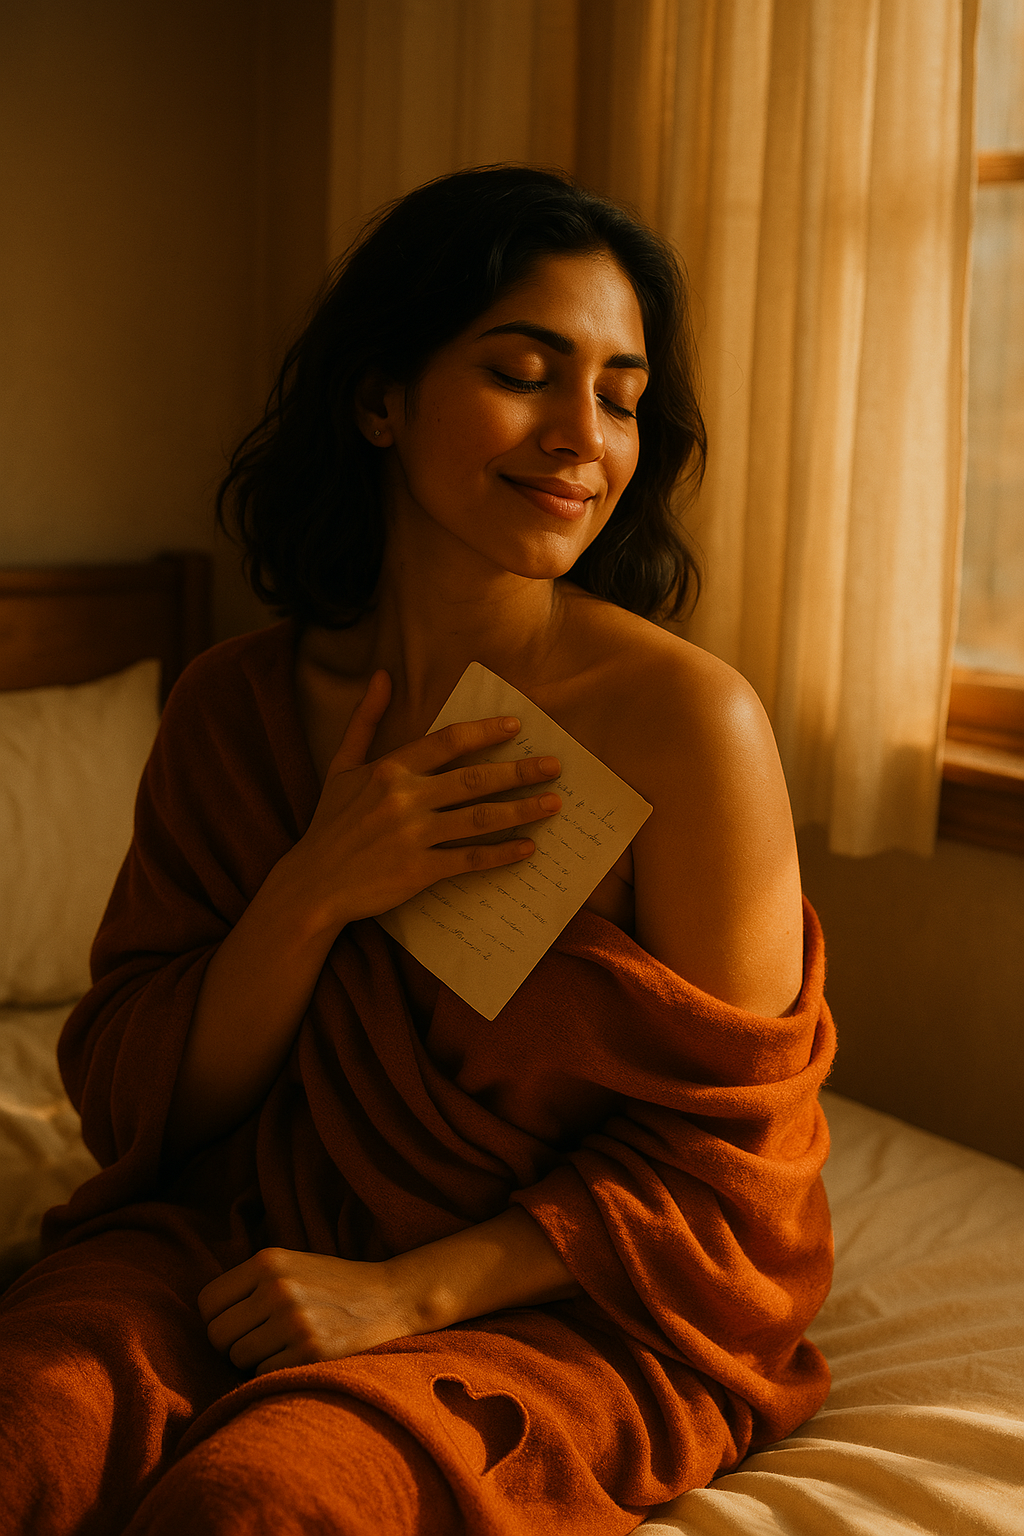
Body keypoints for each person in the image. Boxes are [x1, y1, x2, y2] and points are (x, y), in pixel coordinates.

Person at [0, 166, 834, 1535]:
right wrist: (317, 885)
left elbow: (739, 1172)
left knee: (262, 1505)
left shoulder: (687, 726)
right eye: (524, 372)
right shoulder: (232, 707)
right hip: (241, 1235)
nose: (583, 437)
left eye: (621, 397)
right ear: (380, 398)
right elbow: (145, 1106)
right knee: (27, 1427)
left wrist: (408, 1292)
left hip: (563, 1306)